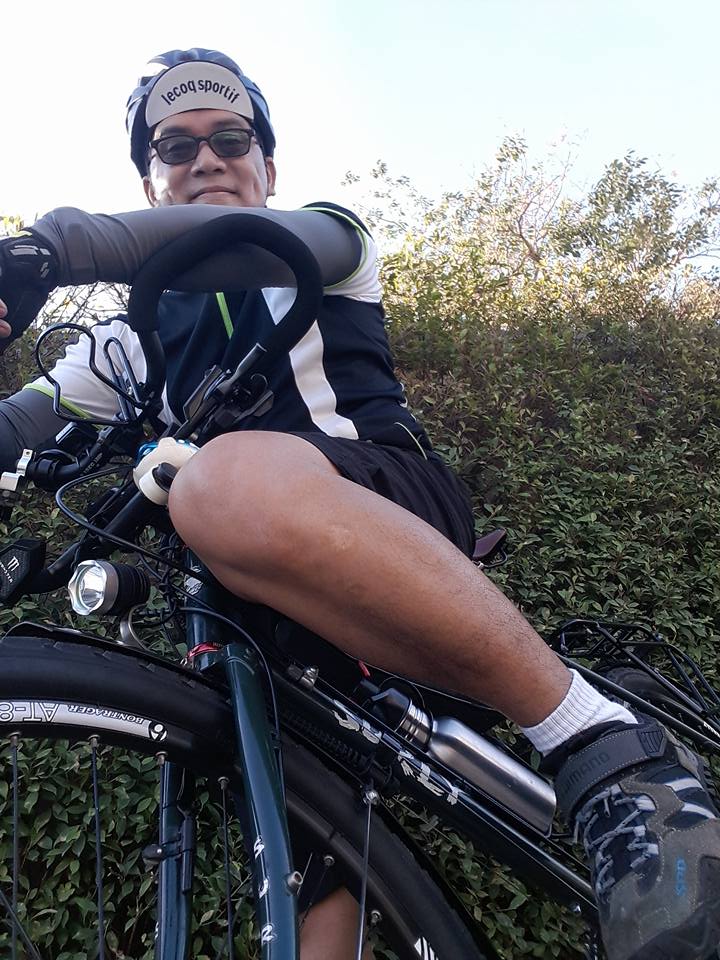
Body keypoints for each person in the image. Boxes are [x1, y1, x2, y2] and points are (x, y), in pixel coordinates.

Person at [0, 48, 718, 960]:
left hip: (385, 499)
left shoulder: (319, 242)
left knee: (217, 483)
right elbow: (20, 424)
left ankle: (616, 756)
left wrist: (50, 247)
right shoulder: (124, 343)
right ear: (150, 180)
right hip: (249, 584)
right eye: (175, 148)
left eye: (231, 139)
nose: (207, 160)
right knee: (307, 834)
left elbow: (241, 244)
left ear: (268, 165)